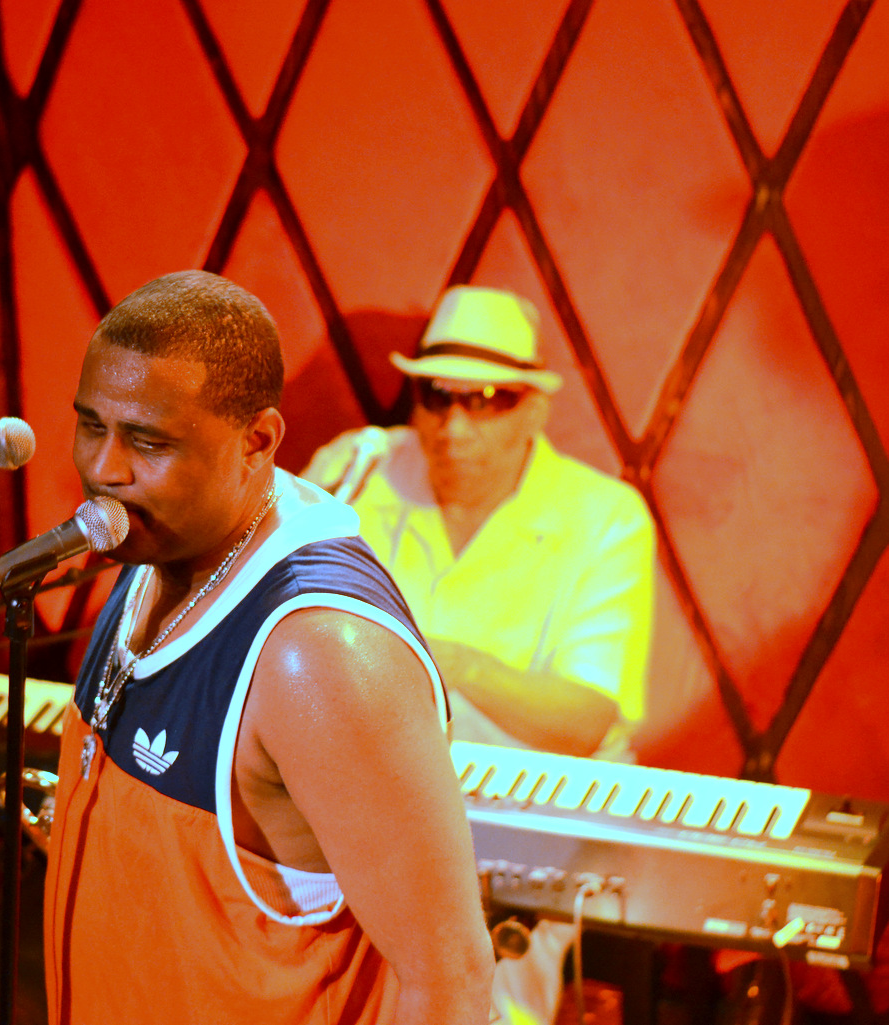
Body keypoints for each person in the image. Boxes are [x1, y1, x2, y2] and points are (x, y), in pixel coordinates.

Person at [43, 270, 493, 1024]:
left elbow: (449, 977)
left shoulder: (321, 657)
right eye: (92, 425)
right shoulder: (157, 541)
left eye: (148, 440)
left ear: (257, 441)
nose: (104, 469)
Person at [303, 285, 657, 1025]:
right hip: (377, 783)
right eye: (436, 396)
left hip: (534, 807)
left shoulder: (603, 518)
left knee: (476, 977)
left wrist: (444, 660)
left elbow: (585, 720)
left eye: (487, 399)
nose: (454, 425)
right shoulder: (358, 472)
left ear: (533, 407)